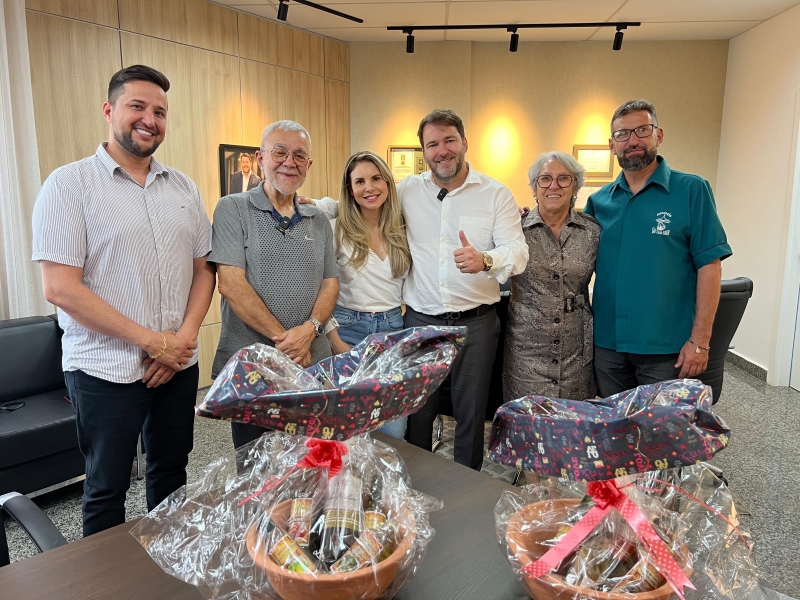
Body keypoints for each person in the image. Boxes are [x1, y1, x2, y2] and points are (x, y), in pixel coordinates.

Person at [31, 65, 215, 536]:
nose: (149, 119)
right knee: (107, 487)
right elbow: (61, 288)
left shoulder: (184, 188)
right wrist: (155, 342)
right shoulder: (68, 185)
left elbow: (203, 271)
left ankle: (171, 566)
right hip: (103, 369)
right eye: (138, 106)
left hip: (176, 364)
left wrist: (182, 342)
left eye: (160, 111)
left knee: (171, 475)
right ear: (110, 110)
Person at [305, 109, 528, 470]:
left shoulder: (495, 194)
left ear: (465, 143)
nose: (442, 150)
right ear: (424, 151)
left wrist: (486, 260)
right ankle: (418, 482)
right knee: (416, 411)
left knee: (470, 413)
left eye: (449, 140)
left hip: (477, 322)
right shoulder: (408, 189)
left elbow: (518, 252)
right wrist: (314, 204)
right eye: (432, 144)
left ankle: (465, 486)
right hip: (420, 320)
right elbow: (358, 199)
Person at [584, 99, 732, 398]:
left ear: (658, 135)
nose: (633, 140)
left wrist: (700, 342)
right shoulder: (599, 202)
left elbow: (710, 266)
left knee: (661, 439)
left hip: (667, 349)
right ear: (612, 145)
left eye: (642, 130)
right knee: (616, 434)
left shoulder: (691, 190)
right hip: (608, 347)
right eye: (623, 134)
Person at [208, 120, 339, 450]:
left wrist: (308, 331)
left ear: (308, 165)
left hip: (312, 361)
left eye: (299, 155)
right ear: (260, 158)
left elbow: (330, 283)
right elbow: (231, 285)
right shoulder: (233, 209)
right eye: (279, 152)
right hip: (255, 367)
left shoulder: (318, 219)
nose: (289, 162)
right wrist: (289, 342)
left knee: (311, 462)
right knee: (257, 469)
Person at [321, 151, 412, 439]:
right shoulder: (336, 229)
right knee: (346, 430)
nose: (369, 188)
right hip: (347, 329)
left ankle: (381, 486)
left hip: (392, 331)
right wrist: (334, 341)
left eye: (376, 179)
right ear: (350, 190)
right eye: (359, 181)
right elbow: (318, 291)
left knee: (393, 430)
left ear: (387, 182)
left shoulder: (403, 228)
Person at [504, 152, 601, 403]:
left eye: (563, 179)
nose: (553, 186)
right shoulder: (514, 228)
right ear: (534, 188)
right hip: (526, 348)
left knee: (573, 424)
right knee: (527, 423)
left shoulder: (592, 231)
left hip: (576, 348)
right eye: (544, 179)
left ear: (576, 186)